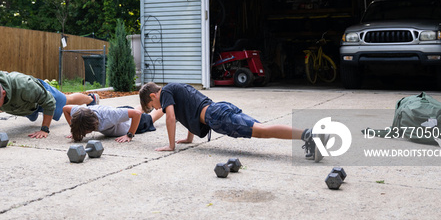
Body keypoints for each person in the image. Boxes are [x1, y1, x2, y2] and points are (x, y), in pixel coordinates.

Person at [139, 82, 325, 161]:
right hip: (220, 109)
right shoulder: (174, 90)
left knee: (264, 131)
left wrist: (171, 146)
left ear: (154, 95)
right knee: (263, 129)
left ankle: (309, 135)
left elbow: (171, 117)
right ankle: (309, 138)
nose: (157, 109)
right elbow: (188, 113)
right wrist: (190, 138)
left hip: (217, 115)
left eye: (153, 105)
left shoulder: (167, 93)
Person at [0, 71, 99, 138]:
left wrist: (44, 129)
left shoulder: (25, 86)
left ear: (3, 93)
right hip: (25, 106)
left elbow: (49, 102)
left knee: (66, 100)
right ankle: (33, 112)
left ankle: (90, 99)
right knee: (33, 115)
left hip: (41, 94)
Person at [63, 104, 164, 143]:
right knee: (132, 111)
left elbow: (136, 114)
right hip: (120, 112)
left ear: (93, 124)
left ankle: (167, 107)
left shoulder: (108, 116)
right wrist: (76, 128)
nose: (85, 133)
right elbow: (65, 108)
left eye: (85, 131)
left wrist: (130, 134)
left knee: (152, 117)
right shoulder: (79, 111)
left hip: (130, 123)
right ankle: (145, 104)